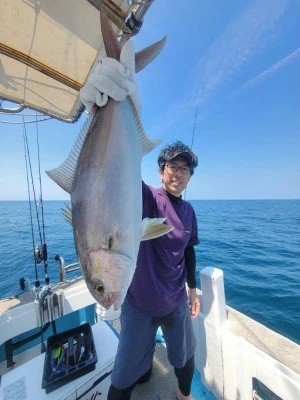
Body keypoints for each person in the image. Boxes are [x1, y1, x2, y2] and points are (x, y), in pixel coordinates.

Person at [107, 140, 200, 400]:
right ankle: (143, 368)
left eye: (185, 168)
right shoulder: (147, 197)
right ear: (161, 171)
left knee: (186, 359)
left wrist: (192, 289)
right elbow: (122, 174)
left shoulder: (190, 211)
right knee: (125, 378)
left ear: (190, 176)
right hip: (139, 304)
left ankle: (184, 396)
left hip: (176, 302)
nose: (178, 173)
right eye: (172, 166)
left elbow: (189, 250)